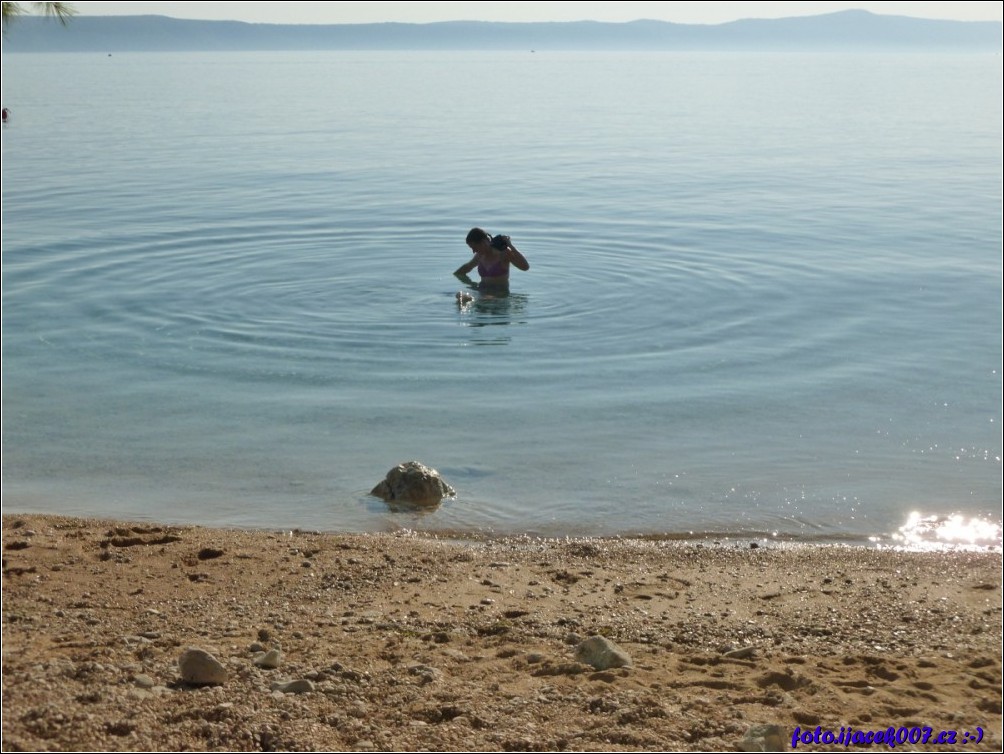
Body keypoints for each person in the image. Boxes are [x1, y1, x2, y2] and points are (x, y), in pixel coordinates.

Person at [454, 227, 529, 289]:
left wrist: (510, 246)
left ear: (483, 242)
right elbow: (467, 267)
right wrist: (455, 276)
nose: (473, 251)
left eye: (474, 247)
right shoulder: (479, 256)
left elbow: (525, 267)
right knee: (460, 296)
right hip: (482, 292)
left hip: (499, 296)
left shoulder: (504, 254)